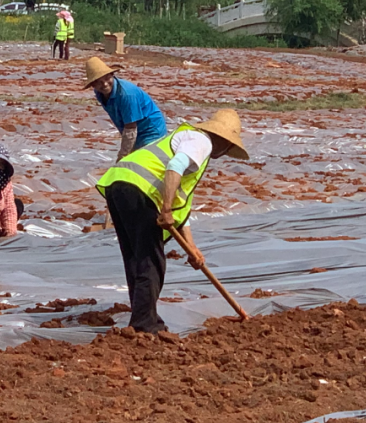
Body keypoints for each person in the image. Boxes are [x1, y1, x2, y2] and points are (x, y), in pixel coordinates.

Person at [97, 108, 249, 333]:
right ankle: (145, 324)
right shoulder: (201, 142)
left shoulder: (190, 140)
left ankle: (142, 319)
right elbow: (174, 167)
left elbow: (181, 204)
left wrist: (191, 248)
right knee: (151, 261)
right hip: (139, 191)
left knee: (137, 259)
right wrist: (165, 208)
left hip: (118, 185)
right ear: (225, 142)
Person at [84, 57, 168, 160]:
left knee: (143, 164)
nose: (105, 84)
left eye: (107, 78)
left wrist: (122, 156)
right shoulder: (100, 93)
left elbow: (130, 129)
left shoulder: (126, 94)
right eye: (99, 82)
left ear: (112, 75)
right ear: (93, 85)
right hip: (134, 133)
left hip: (150, 131)